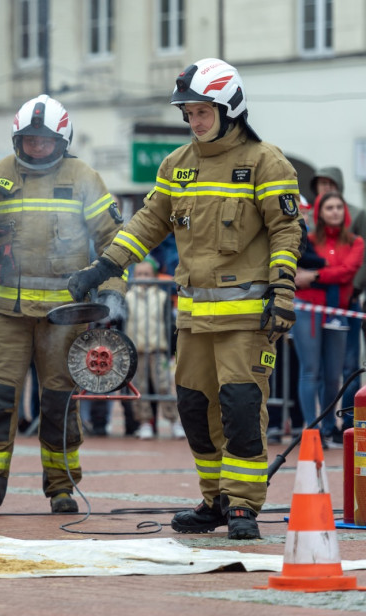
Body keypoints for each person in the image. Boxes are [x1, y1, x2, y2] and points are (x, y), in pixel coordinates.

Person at [68, 58, 303, 539]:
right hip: (194, 320)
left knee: (241, 409)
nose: (193, 122)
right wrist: (105, 265)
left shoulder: (266, 162)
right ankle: (214, 500)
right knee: (195, 410)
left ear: (229, 108)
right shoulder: (177, 165)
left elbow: (286, 229)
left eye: (202, 112)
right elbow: (148, 223)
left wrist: (283, 288)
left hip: (245, 320)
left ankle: (243, 508)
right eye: (189, 113)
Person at [0, 94, 125, 515]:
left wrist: (113, 297)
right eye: (28, 140)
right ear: (16, 140)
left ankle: (61, 487)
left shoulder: (84, 178)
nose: (36, 147)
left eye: (44, 140)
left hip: (66, 317)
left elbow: (114, 244)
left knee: (59, 406)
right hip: (6, 313)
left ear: (62, 141)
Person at [292, 192, 363, 448]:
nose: (334, 212)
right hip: (307, 309)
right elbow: (296, 271)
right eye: (329, 207)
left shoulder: (356, 242)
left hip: (339, 313)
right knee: (310, 371)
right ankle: (312, 430)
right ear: (320, 212)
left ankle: (329, 427)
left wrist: (314, 275)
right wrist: (317, 275)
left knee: (334, 375)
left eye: (338, 207)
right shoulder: (307, 239)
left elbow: (346, 273)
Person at [310, 166, 366, 433]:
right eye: (320, 183)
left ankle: (352, 418)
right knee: (319, 368)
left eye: (329, 182)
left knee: (349, 364)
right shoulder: (310, 220)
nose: (325, 187)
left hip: (349, 301)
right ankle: (324, 423)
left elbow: (358, 260)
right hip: (316, 304)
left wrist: (353, 287)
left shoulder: (356, 214)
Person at [126, 258, 184, 440]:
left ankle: (174, 421)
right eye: (139, 274)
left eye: (147, 274)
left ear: (154, 276)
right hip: (136, 351)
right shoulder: (127, 297)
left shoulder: (161, 297)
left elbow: (169, 323)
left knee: (164, 386)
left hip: (158, 349)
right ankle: (144, 422)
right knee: (139, 388)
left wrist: (172, 349)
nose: (143, 278)